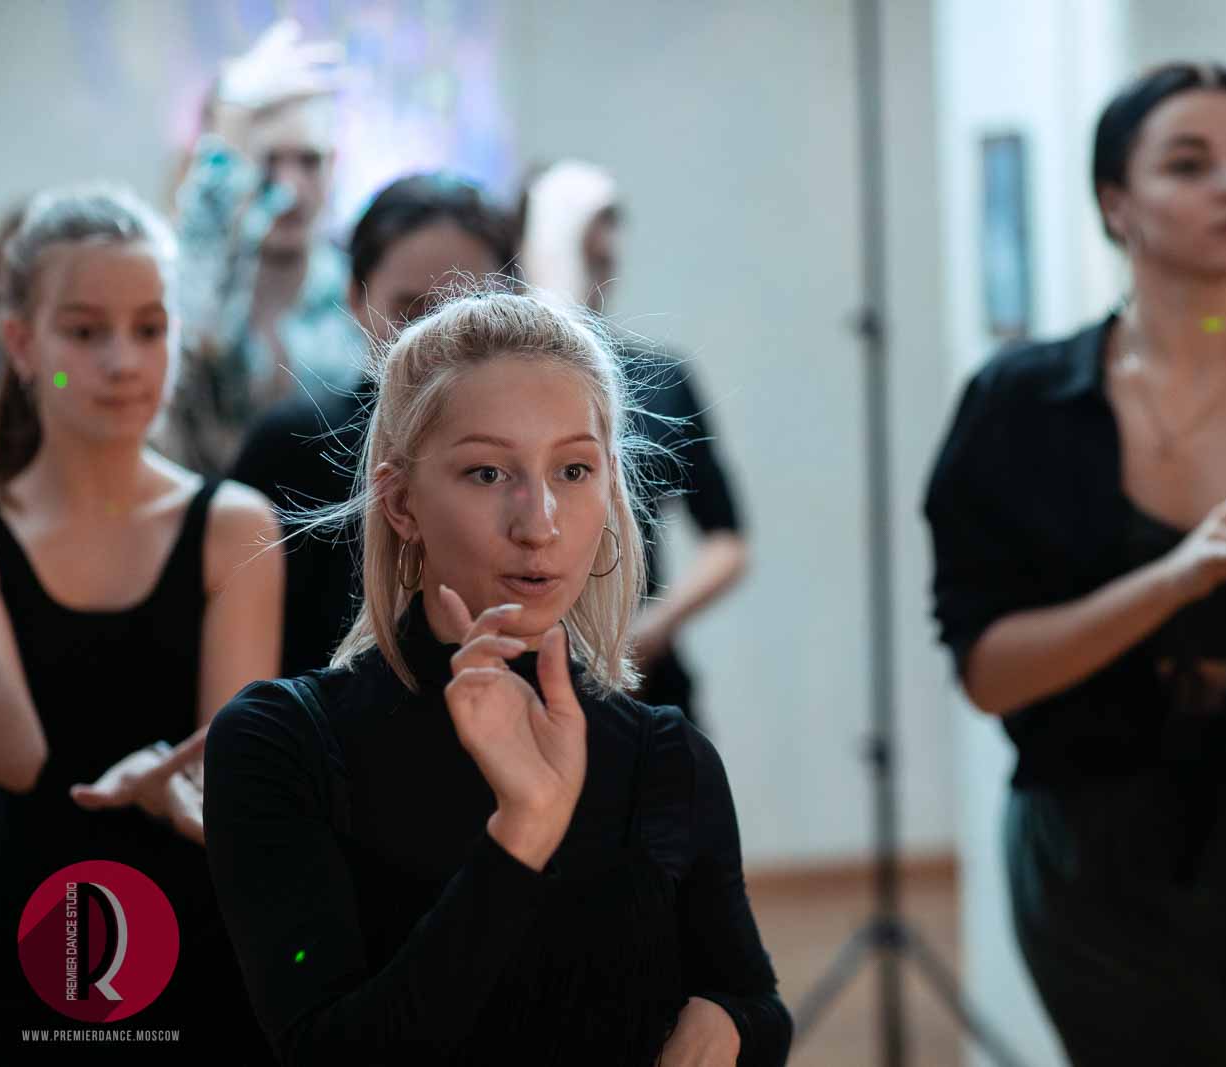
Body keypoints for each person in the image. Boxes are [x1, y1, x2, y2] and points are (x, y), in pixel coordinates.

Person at [204, 289, 791, 1065]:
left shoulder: (665, 755)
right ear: (400, 501)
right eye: (487, 472)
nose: (539, 522)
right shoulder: (281, 742)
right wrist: (523, 832)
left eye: (573, 469)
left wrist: (729, 1022)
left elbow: (756, 999)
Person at [924, 63, 1226, 1065]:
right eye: (1190, 164)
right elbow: (989, 673)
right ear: (1117, 203)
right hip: (1094, 844)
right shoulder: (1023, 404)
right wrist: (1177, 576)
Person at [0, 185, 282, 1054]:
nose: (123, 362)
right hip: (23, 930)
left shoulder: (232, 526)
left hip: (190, 943)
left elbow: (232, 780)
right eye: (85, 333)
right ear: (22, 343)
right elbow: (20, 760)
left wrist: (173, 780)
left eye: (149, 329)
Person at [230, 172, 518, 677]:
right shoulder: (292, 447)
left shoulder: (546, 460)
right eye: (412, 311)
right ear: (356, 300)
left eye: (466, 310)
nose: (438, 341)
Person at [524, 160, 747, 727]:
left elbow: (726, 539)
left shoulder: (658, 378)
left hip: (641, 678)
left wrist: (654, 628)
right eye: (579, 253)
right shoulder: (494, 391)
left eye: (603, 260)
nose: (591, 273)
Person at [161, 18, 362, 475]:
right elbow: (190, 330)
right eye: (267, 162)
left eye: (309, 161)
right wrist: (229, 131)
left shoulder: (358, 294)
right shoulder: (196, 286)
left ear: (333, 166)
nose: (289, 188)